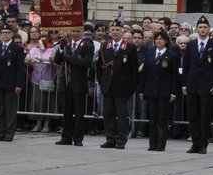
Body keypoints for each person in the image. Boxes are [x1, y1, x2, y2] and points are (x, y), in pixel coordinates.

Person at [182, 16, 213, 154]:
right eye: (200, 27)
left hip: (207, 86)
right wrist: (184, 85)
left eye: (205, 27)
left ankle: (203, 144)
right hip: (192, 85)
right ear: (196, 29)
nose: (203, 29)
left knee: (205, 116)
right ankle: (195, 142)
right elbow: (186, 65)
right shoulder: (191, 45)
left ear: (209, 29)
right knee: (193, 115)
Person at [96, 20, 135, 149]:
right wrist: (102, 84)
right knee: (108, 114)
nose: (115, 32)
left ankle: (121, 139)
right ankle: (110, 138)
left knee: (122, 115)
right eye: (113, 30)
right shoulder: (105, 46)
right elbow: (99, 68)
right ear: (110, 31)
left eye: (118, 30)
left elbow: (133, 70)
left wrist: (129, 88)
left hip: (122, 87)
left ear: (123, 31)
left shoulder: (129, 47)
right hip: (108, 86)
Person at [138, 29, 178, 151]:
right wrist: (141, 90)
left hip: (164, 91)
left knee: (162, 119)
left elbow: (175, 76)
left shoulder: (172, 55)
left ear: (166, 41)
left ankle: (161, 144)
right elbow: (144, 73)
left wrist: (173, 92)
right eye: (157, 39)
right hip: (150, 90)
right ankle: (152, 144)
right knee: (153, 118)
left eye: (161, 39)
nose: (158, 41)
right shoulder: (150, 53)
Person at [54, 27, 93, 146]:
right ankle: (66, 137)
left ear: (82, 33)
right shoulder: (66, 45)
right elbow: (57, 60)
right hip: (65, 82)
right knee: (66, 112)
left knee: (79, 112)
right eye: (74, 31)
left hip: (79, 83)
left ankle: (78, 138)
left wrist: (69, 59)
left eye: (78, 31)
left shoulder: (87, 45)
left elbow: (86, 63)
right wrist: (60, 48)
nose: (75, 34)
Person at [0, 25, 25, 141]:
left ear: (12, 34)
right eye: (2, 32)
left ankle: (9, 133)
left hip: (10, 83)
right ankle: (0, 132)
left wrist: (19, 84)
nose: (4, 35)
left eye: (7, 32)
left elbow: (20, 68)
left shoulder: (17, 48)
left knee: (10, 109)